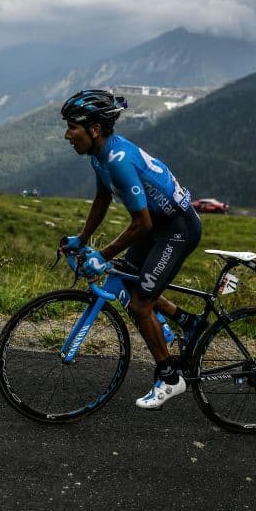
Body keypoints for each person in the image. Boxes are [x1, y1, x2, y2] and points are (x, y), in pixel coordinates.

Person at [60, 89, 203, 410]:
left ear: (95, 129)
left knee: (140, 305)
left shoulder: (118, 160)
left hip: (177, 229)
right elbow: (102, 199)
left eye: (72, 127)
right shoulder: (100, 156)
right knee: (127, 279)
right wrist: (82, 239)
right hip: (158, 226)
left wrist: (102, 256)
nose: (67, 135)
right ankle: (188, 322)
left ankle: (170, 378)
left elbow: (142, 223)